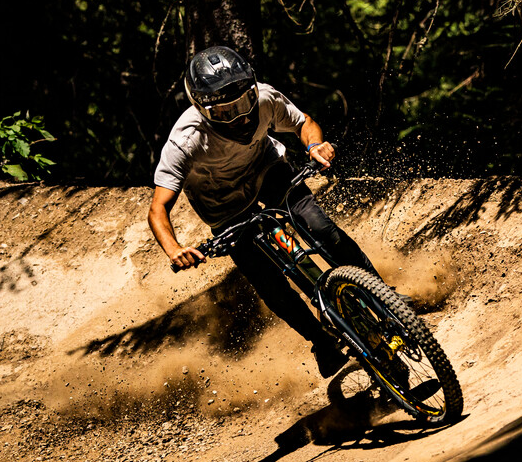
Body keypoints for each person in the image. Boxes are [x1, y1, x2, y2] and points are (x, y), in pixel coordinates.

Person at [147, 46, 375, 378]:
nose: (240, 116)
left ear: (253, 88)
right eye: (225, 112)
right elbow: (158, 209)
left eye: (243, 102)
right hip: (224, 208)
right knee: (268, 281)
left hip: (267, 171)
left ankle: (382, 293)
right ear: (201, 107)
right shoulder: (185, 139)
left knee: (320, 227)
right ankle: (320, 342)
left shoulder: (266, 98)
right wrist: (175, 249)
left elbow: (304, 123)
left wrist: (314, 145)